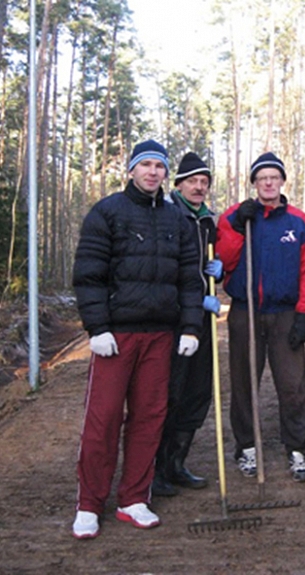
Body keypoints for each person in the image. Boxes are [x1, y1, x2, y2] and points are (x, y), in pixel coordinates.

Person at [71, 139, 203, 539]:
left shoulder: (175, 218)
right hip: (116, 335)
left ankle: (133, 498)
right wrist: (97, 328)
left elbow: (188, 278)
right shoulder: (107, 212)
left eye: (159, 166)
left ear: (165, 174)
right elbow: (88, 274)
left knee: (149, 418)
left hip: (159, 336)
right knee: (104, 420)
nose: (152, 172)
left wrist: (191, 326)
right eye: (144, 165)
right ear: (131, 170)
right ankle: (89, 504)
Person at [216, 151, 305, 482]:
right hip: (246, 311)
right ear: (254, 184)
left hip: (286, 313)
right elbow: (225, 260)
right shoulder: (236, 216)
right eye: (262, 178)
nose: (268, 183)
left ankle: (297, 447)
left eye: (274, 177)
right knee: (244, 380)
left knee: (292, 384)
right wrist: (235, 227)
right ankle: (246, 446)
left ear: (282, 182)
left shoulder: (299, 223)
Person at [152, 152, 222, 497]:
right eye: (192, 181)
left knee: (198, 392)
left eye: (204, 182)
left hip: (204, 318)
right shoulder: (167, 215)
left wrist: (215, 270)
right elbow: (164, 272)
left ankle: (177, 464)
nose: (199, 187)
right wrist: (190, 302)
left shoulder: (208, 221)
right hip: (175, 320)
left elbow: (206, 264)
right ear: (178, 184)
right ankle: (154, 469)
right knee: (170, 393)